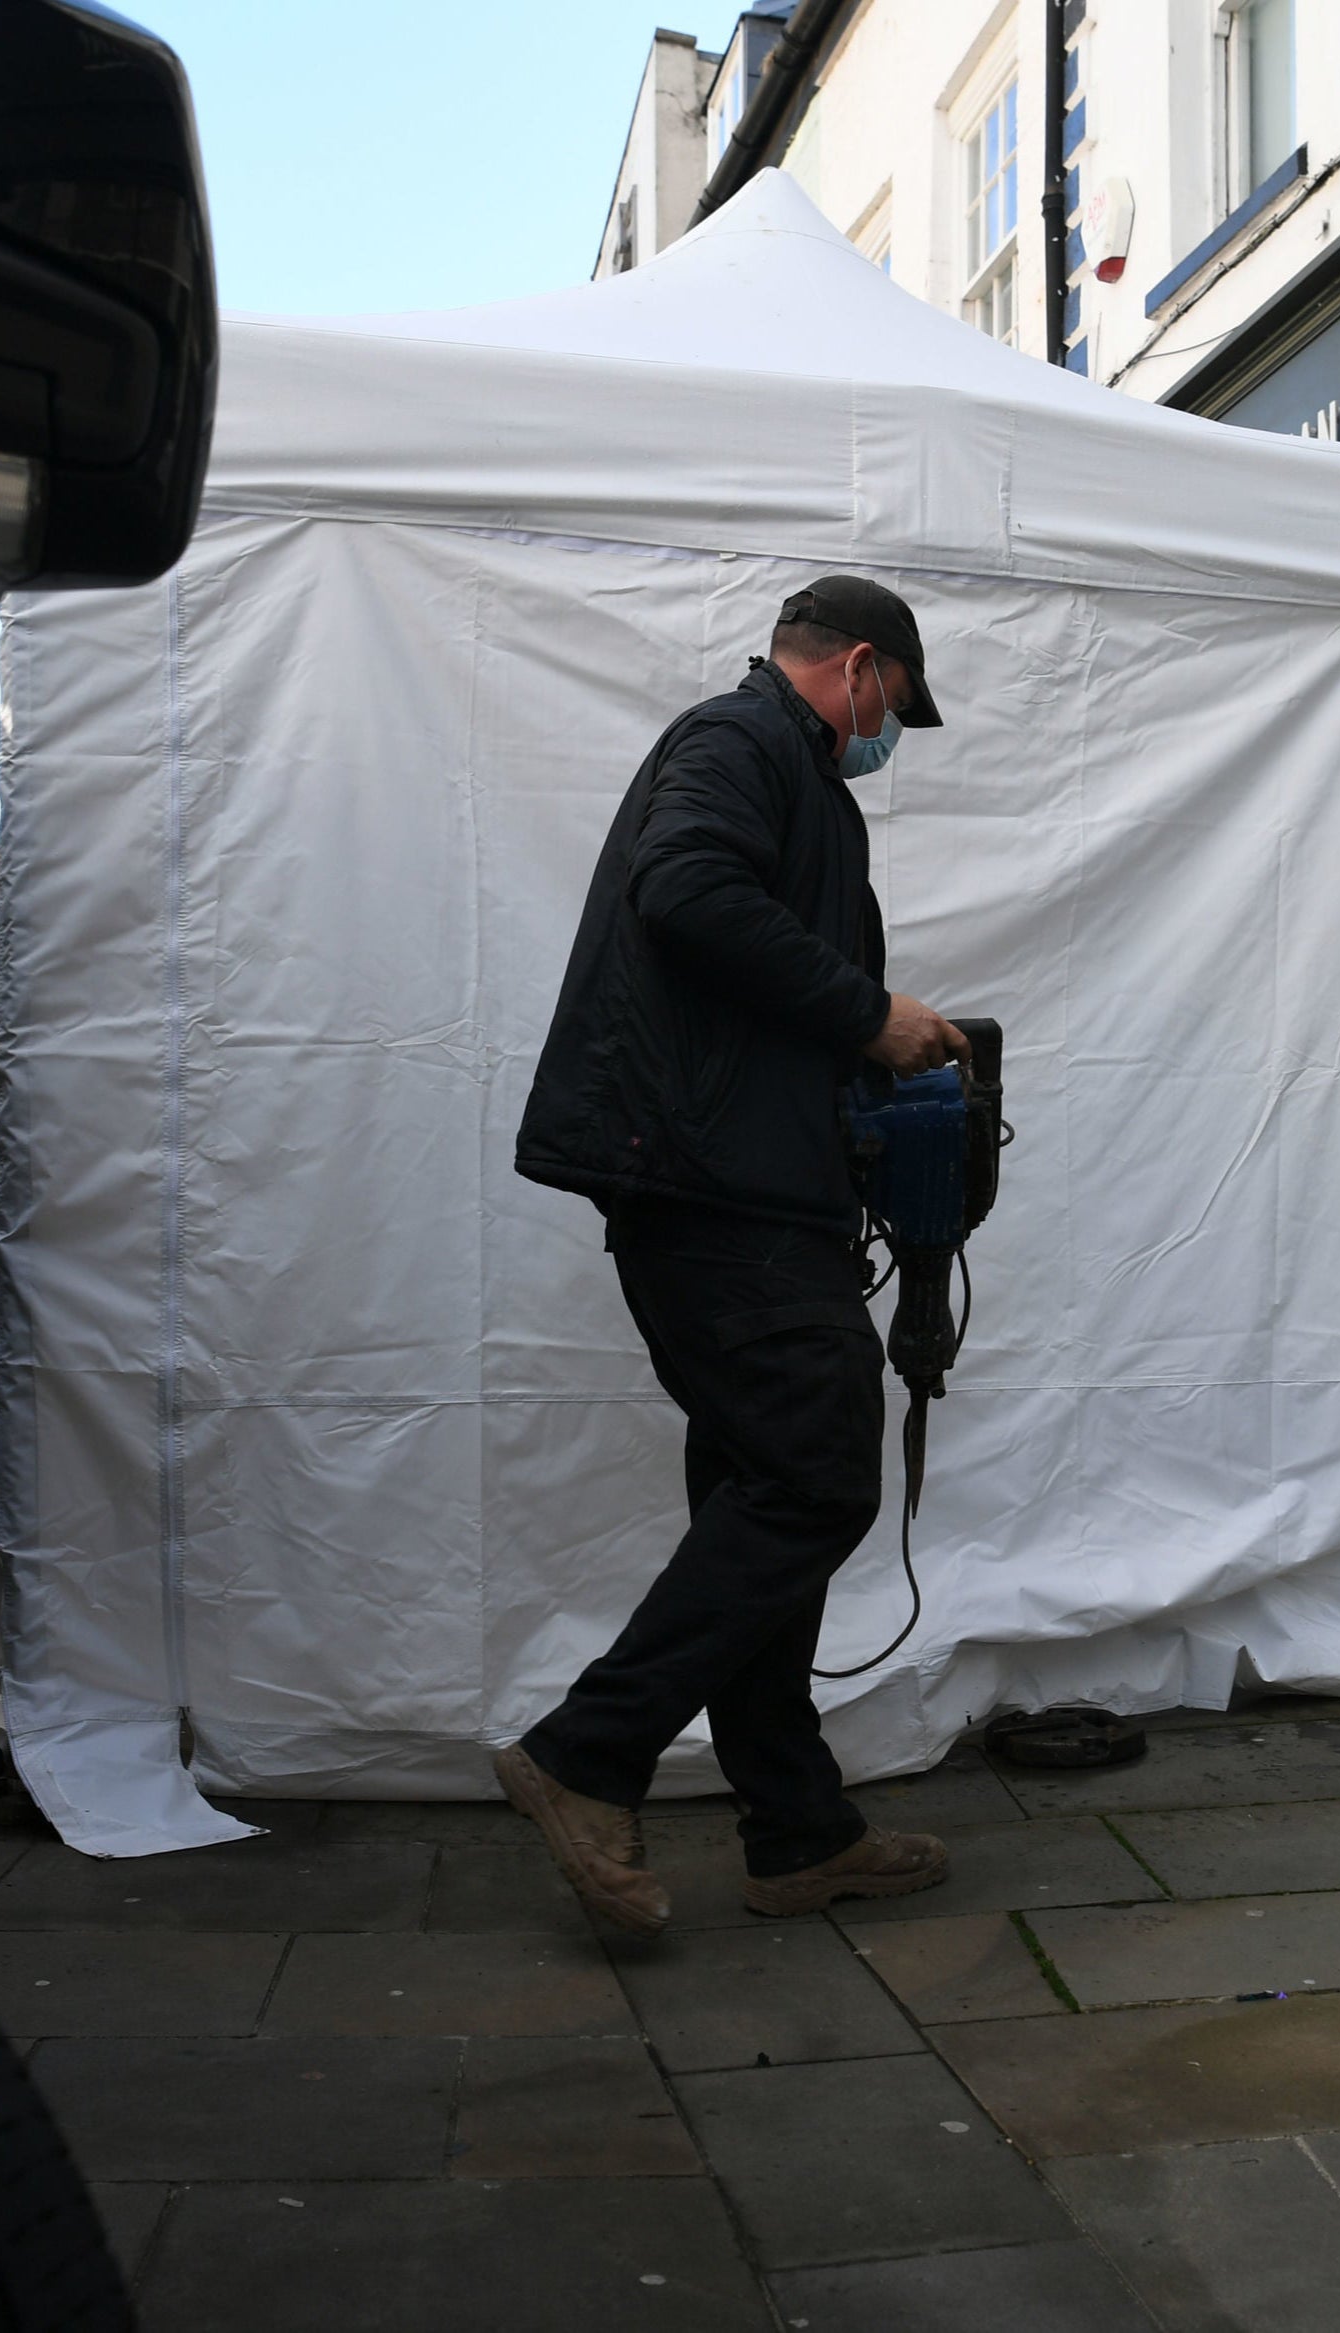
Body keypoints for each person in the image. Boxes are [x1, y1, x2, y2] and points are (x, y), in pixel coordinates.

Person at [501, 577, 969, 1939]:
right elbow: (688, 890)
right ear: (863, 671)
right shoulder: (741, 740)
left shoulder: (789, 774)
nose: (889, 737)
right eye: (895, 710)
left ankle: (797, 1830)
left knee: (765, 1488)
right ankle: (588, 1753)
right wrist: (867, 1013)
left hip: (749, 1182)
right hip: (716, 1192)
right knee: (817, 1470)